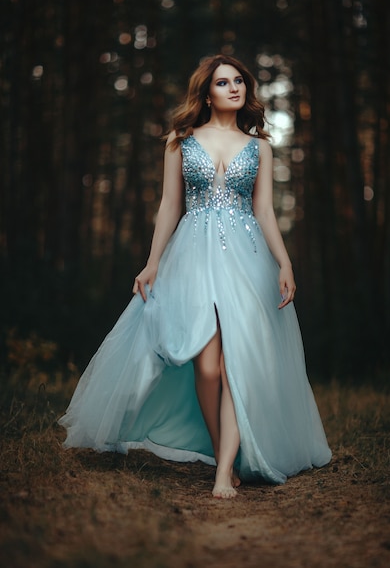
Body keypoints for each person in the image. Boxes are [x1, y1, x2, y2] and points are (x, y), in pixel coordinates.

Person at [59, 54, 331, 499]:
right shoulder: (179, 140)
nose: (235, 88)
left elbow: (263, 209)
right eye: (224, 83)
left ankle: (224, 471)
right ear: (207, 93)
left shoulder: (259, 145)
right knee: (206, 367)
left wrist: (284, 262)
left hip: (247, 260)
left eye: (240, 81)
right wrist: (152, 262)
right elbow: (170, 205)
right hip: (192, 257)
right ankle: (223, 450)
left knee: (236, 364)